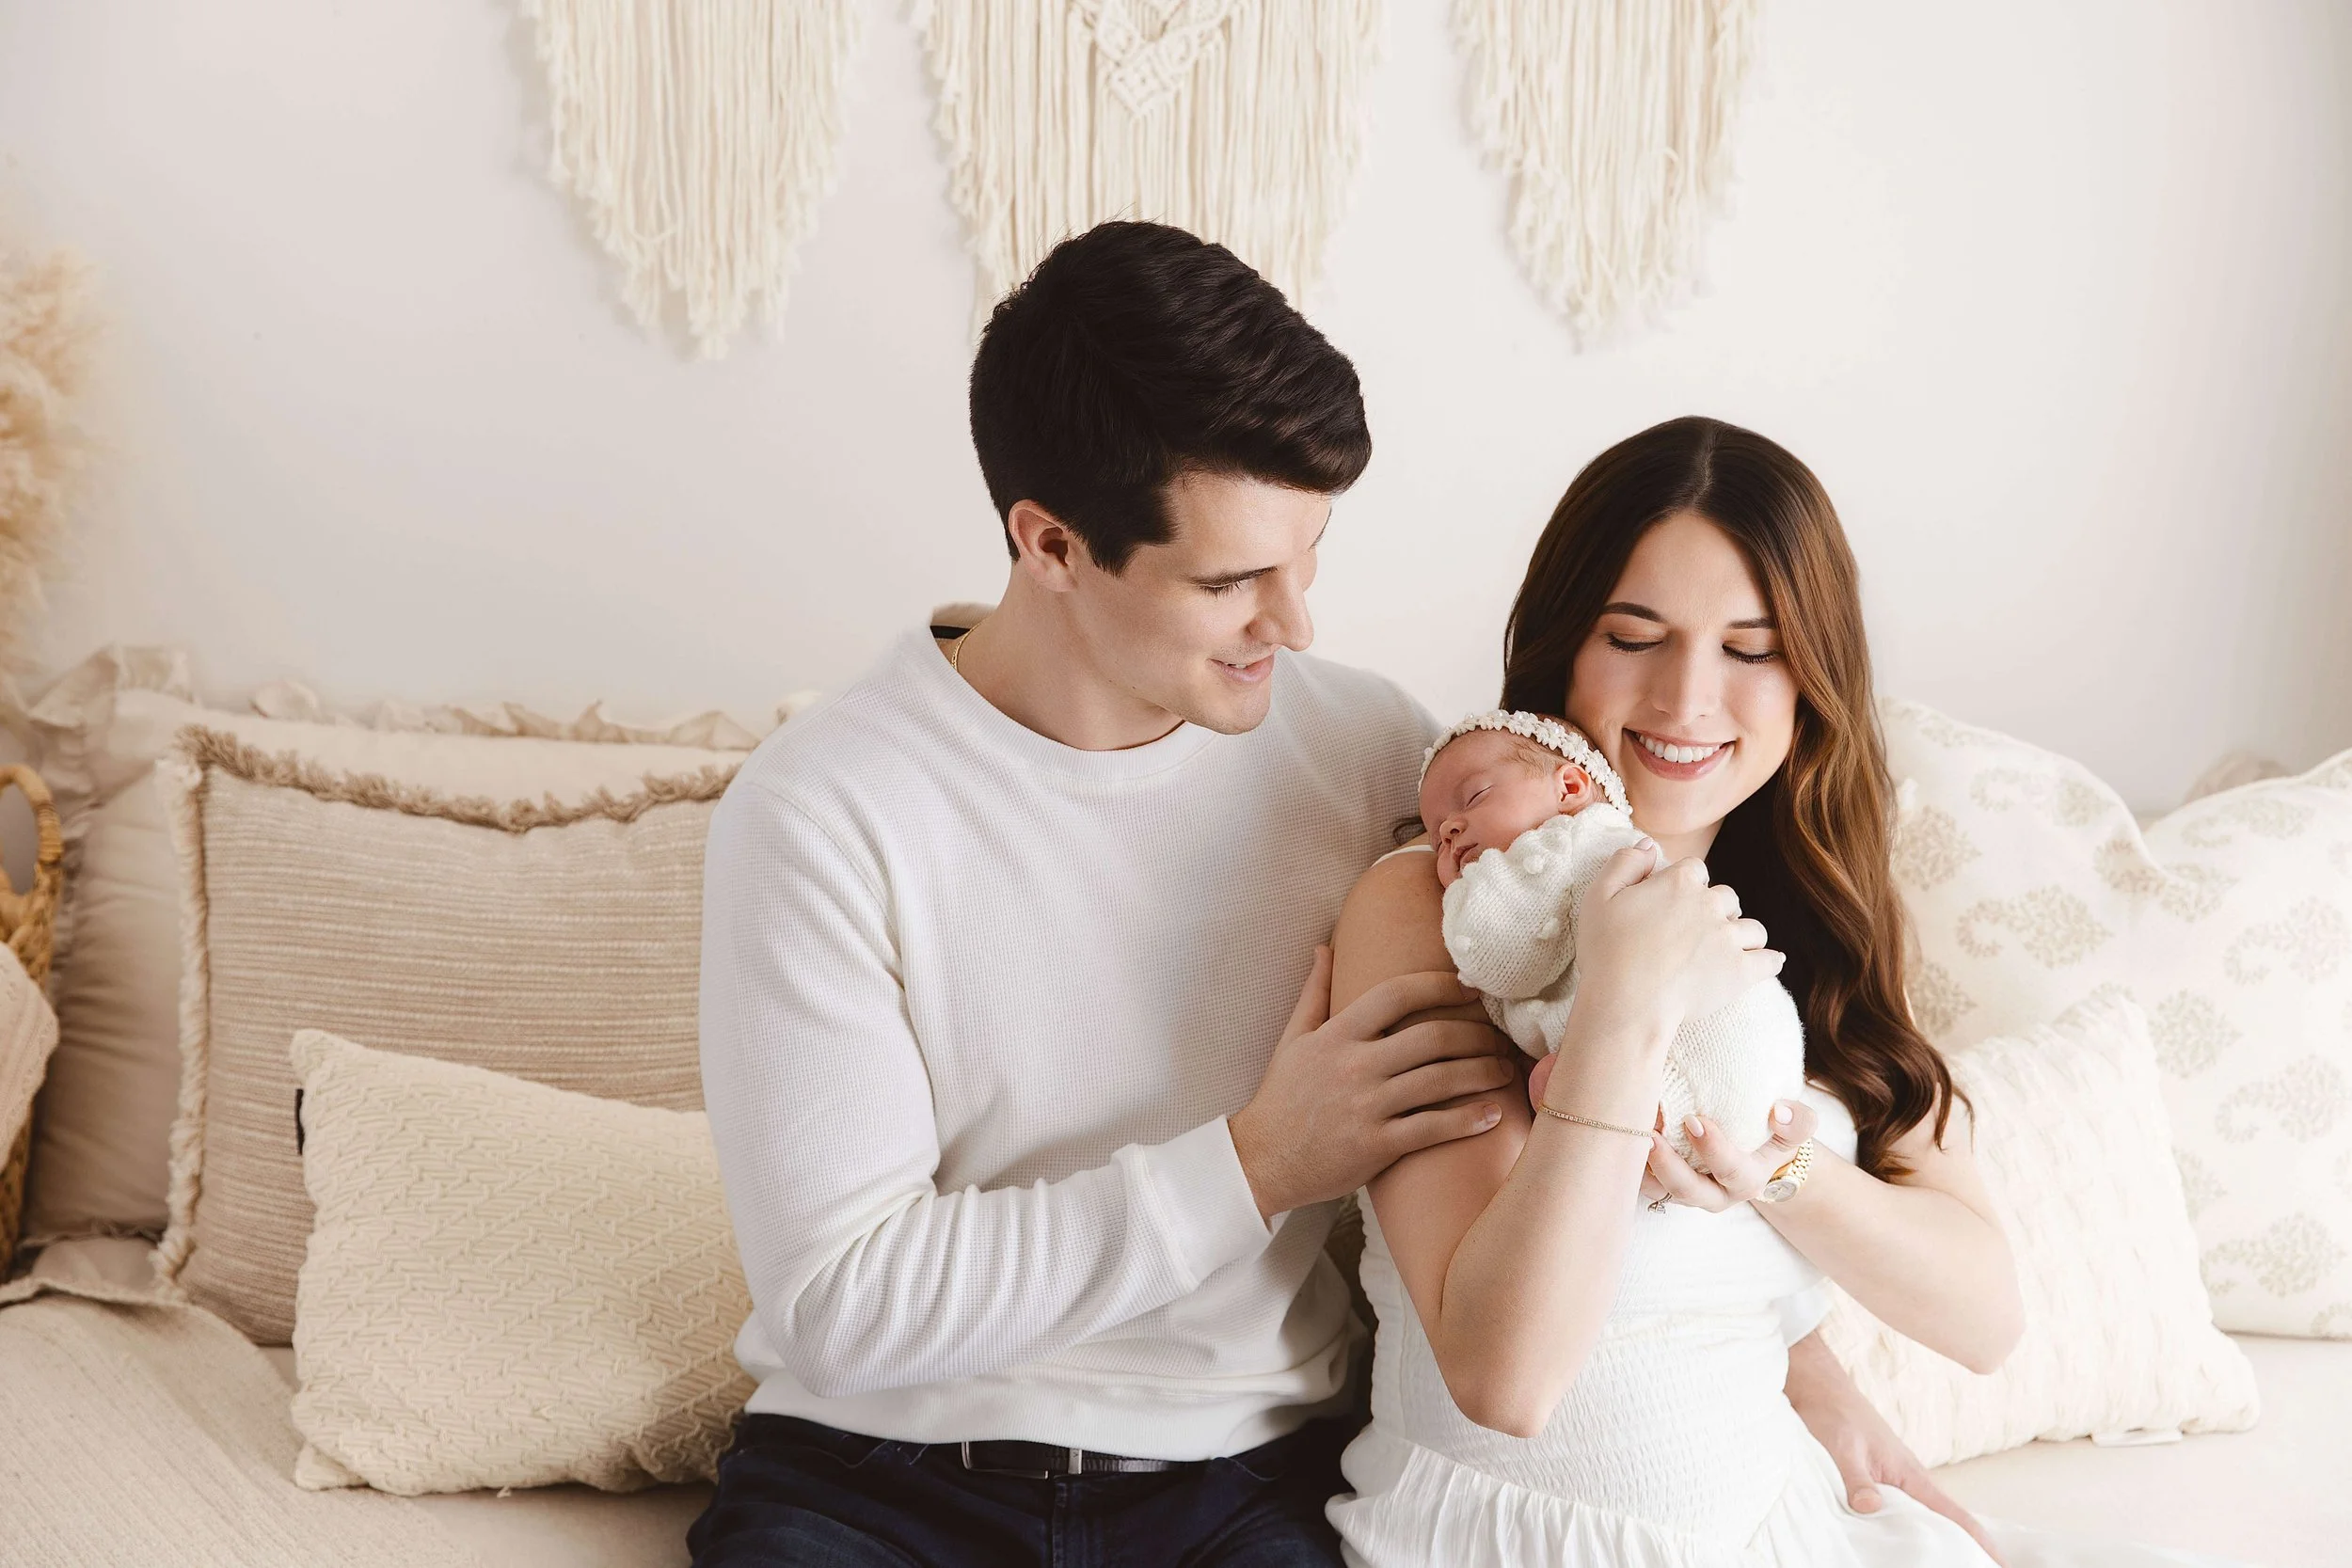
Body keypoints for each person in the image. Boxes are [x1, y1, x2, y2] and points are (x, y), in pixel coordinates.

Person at [691, 226, 1989, 1567]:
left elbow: (1573, 1185)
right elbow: (840, 1304)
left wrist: (1799, 1362)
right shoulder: (823, 811)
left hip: (1240, 1483)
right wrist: (1258, 1161)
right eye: (1232, 581)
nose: (1295, 623)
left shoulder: (1380, 757)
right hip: (875, 1481)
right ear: (1054, 544)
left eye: (1307, 554)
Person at [1323, 416, 2222, 1568]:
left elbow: (1982, 1316)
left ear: (1809, 680)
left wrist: (1775, 1173)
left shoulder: (1802, 920)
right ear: (1562, 652)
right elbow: (1506, 1375)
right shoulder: (1446, 903)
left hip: (1776, 1518)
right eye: (1633, 635)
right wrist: (1627, 1003)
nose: (1686, 697)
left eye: (1750, 649)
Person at [1420, 711, 1806, 1164]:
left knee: (1571, 1095)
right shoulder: (1622, 845)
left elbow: (1500, 960)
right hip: (1769, 1067)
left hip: (1694, 1054)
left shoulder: (1560, 848)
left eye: (1474, 797)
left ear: (1569, 788)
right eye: (1437, 841)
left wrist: (1463, 895)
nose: (1449, 831)